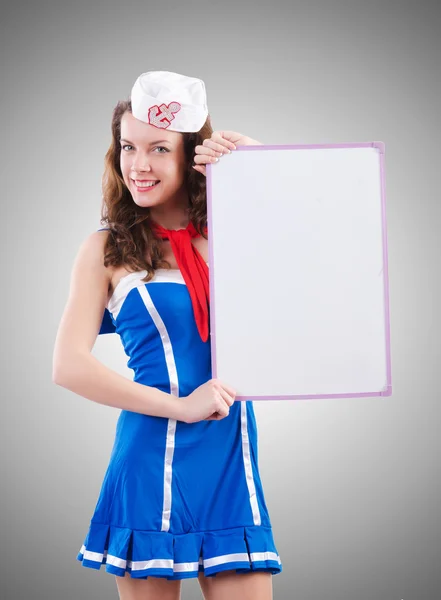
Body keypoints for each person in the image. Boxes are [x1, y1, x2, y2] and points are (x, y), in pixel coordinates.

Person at [53, 70, 282, 600]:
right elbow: (68, 365)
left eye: (159, 148)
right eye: (128, 146)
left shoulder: (239, 231)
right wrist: (182, 406)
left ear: (191, 157)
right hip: (149, 457)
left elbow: (320, 258)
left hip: (231, 456)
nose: (139, 164)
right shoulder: (105, 249)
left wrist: (258, 168)